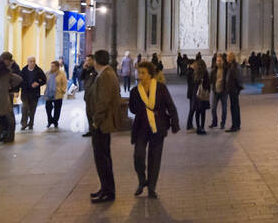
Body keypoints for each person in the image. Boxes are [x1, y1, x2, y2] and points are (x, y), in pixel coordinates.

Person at [129, 60, 180, 198]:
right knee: (138, 155)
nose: (140, 75)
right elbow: (132, 109)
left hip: (158, 126)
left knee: (154, 158)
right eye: (139, 72)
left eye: (143, 73)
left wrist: (175, 123)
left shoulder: (160, 88)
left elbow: (170, 105)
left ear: (150, 74)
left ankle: (151, 187)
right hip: (141, 128)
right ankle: (142, 180)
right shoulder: (135, 91)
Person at [87, 49, 121, 203]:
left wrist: (96, 121)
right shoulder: (104, 74)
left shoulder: (106, 75)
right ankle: (105, 188)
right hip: (101, 123)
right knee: (103, 158)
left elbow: (103, 101)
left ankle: (108, 191)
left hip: (102, 124)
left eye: (92, 60)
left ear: (96, 61)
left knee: (102, 158)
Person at [18, 56, 46, 131]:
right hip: (25, 93)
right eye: (31, 61)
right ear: (28, 62)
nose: (32, 63)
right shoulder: (23, 70)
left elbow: (44, 80)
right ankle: (24, 124)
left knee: (32, 110)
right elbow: (20, 82)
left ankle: (31, 124)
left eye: (34, 61)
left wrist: (38, 83)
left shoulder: (38, 70)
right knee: (25, 108)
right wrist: (29, 85)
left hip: (35, 93)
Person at [44, 59, 67, 128]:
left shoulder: (61, 74)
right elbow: (43, 80)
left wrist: (62, 90)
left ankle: (55, 121)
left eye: (53, 66)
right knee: (48, 108)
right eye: (51, 66)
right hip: (48, 94)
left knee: (57, 109)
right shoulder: (47, 73)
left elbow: (64, 83)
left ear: (57, 67)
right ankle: (50, 121)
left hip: (58, 94)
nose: (52, 67)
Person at [209, 53, 229, 131]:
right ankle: (214, 122)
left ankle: (223, 123)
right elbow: (210, 80)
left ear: (223, 61)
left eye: (220, 61)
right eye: (217, 61)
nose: (218, 62)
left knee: (224, 109)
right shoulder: (214, 70)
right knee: (213, 108)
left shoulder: (226, 70)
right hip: (215, 91)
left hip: (224, 92)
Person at [190, 55, 210, 134]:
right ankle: (202, 127)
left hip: (196, 95)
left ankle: (198, 127)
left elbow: (192, 84)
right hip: (203, 95)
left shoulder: (195, 73)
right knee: (202, 112)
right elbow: (208, 84)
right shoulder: (205, 73)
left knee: (197, 112)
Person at [226, 50, 244, 132]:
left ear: (230, 57)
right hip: (234, 89)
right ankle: (237, 124)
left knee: (234, 108)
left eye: (227, 56)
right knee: (236, 107)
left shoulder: (233, 67)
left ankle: (234, 125)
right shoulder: (235, 65)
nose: (226, 58)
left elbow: (236, 79)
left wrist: (236, 88)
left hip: (233, 90)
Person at [79, 57, 98, 137]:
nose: (87, 62)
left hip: (94, 96)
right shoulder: (87, 70)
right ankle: (91, 130)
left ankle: (96, 130)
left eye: (89, 60)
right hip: (87, 95)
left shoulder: (96, 70)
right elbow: (80, 78)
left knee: (94, 114)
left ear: (93, 60)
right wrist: (84, 69)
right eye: (86, 60)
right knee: (89, 113)